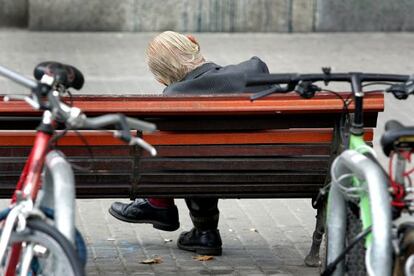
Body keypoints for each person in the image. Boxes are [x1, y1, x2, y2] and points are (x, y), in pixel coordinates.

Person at [109, 31, 270, 256]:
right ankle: (194, 227)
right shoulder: (255, 70)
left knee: (192, 154)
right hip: (271, 170)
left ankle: (171, 212)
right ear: (194, 43)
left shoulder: (173, 99)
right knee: (199, 152)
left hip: (203, 171)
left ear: (160, 79)